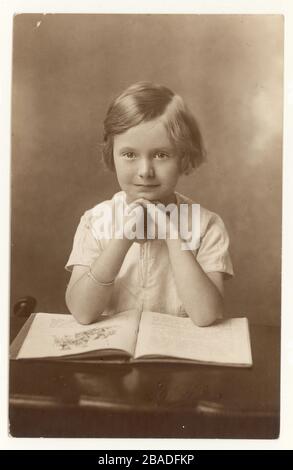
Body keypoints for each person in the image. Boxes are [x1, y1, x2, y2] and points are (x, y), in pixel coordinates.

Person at [65, 82, 233, 326]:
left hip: (178, 356)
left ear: (184, 157)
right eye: (130, 154)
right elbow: (82, 312)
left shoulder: (207, 225)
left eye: (161, 155)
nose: (145, 172)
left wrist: (173, 237)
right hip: (113, 358)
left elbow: (206, 316)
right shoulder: (96, 221)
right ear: (111, 154)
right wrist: (122, 239)